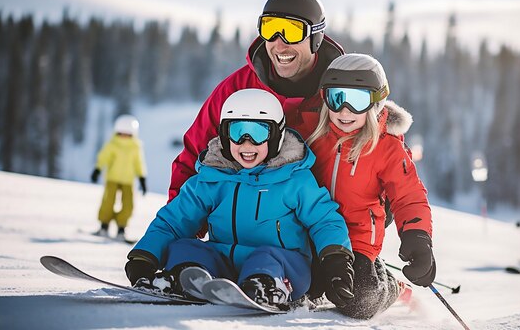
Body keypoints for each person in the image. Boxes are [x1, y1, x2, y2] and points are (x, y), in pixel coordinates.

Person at [124, 89, 354, 309]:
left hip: (284, 265)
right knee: (185, 246)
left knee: (267, 257)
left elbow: (324, 220)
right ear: (224, 136)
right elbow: (174, 221)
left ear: (276, 136)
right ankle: (183, 276)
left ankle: (266, 285)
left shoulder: (295, 180)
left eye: (258, 133)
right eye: (237, 132)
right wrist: (145, 256)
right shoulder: (212, 178)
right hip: (224, 261)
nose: (246, 143)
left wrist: (336, 261)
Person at [168, 0, 344, 204]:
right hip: (247, 227)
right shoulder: (238, 89)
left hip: (328, 228)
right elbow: (194, 156)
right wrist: (178, 226)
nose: (279, 44)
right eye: (270, 29)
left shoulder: (341, 90)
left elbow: (380, 146)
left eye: (292, 31)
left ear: (315, 37)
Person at [306, 53, 435, 319]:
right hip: (314, 237)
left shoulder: (387, 146)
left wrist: (417, 238)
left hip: (358, 242)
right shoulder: (314, 135)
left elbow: (408, 195)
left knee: (359, 301)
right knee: (309, 286)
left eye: (357, 100)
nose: (344, 110)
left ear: (376, 103)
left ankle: (391, 287)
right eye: (336, 97)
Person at [91, 114, 147, 241]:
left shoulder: (136, 147)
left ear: (133, 134)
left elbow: (139, 163)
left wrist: (142, 178)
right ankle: (104, 226)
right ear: (117, 132)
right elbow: (104, 157)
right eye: (122, 133)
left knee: (128, 205)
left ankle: (121, 228)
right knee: (108, 202)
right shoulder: (113, 144)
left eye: (128, 134)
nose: (124, 137)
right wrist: (98, 169)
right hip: (113, 178)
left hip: (128, 180)